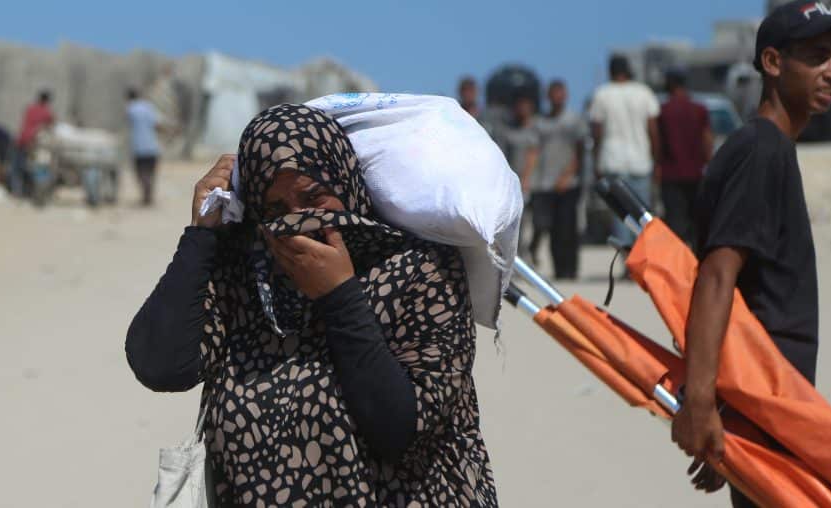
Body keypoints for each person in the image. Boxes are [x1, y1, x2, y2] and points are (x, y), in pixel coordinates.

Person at [126, 104, 499, 506]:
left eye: (314, 196)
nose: (298, 220)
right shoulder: (245, 274)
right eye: (275, 210)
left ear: (344, 182)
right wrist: (201, 236)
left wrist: (340, 296)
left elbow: (400, 431)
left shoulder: (419, 270)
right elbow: (161, 365)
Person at [670, 3, 831, 507]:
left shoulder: (768, 148)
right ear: (774, 63)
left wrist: (721, 415)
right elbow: (717, 276)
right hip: (768, 405)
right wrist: (700, 403)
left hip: (773, 408)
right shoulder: (761, 150)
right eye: (818, 56)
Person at [589, 54, 661, 249]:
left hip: (613, 160)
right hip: (641, 161)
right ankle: (645, 257)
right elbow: (653, 129)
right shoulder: (644, 93)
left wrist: (596, 160)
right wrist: (657, 159)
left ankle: (627, 258)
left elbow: (597, 131)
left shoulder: (602, 94)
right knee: (643, 214)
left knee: (621, 215)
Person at [527, 80, 586, 280]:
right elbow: (533, 151)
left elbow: (580, 152)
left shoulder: (574, 120)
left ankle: (571, 269)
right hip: (545, 183)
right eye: (554, 93)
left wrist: (568, 175)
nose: (557, 97)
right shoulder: (540, 122)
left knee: (568, 228)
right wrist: (527, 177)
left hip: (569, 184)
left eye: (561, 93)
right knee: (551, 229)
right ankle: (560, 270)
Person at [657, 70, 713, 246]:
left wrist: (656, 167)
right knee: (697, 221)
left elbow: (658, 143)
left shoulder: (663, 111)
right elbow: (707, 139)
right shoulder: (699, 109)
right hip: (696, 173)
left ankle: (678, 265)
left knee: (675, 223)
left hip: (671, 174)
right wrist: (709, 164)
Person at [505, 94, 540, 260]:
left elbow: (533, 155)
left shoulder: (534, 130)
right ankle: (518, 255)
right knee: (517, 221)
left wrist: (527, 178)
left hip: (530, 181)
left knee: (535, 222)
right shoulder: (509, 131)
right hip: (513, 182)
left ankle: (529, 252)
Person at [12, 90, 55, 197]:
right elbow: (52, 125)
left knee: (18, 168)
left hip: (21, 140)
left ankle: (17, 191)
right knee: (37, 168)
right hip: (33, 143)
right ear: (47, 101)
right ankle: (32, 191)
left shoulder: (30, 109)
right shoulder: (46, 112)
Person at [126, 89, 163, 206]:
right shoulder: (148, 107)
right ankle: (148, 196)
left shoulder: (130, 109)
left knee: (141, 173)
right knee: (150, 173)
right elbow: (157, 124)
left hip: (139, 147)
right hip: (153, 146)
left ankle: (146, 196)